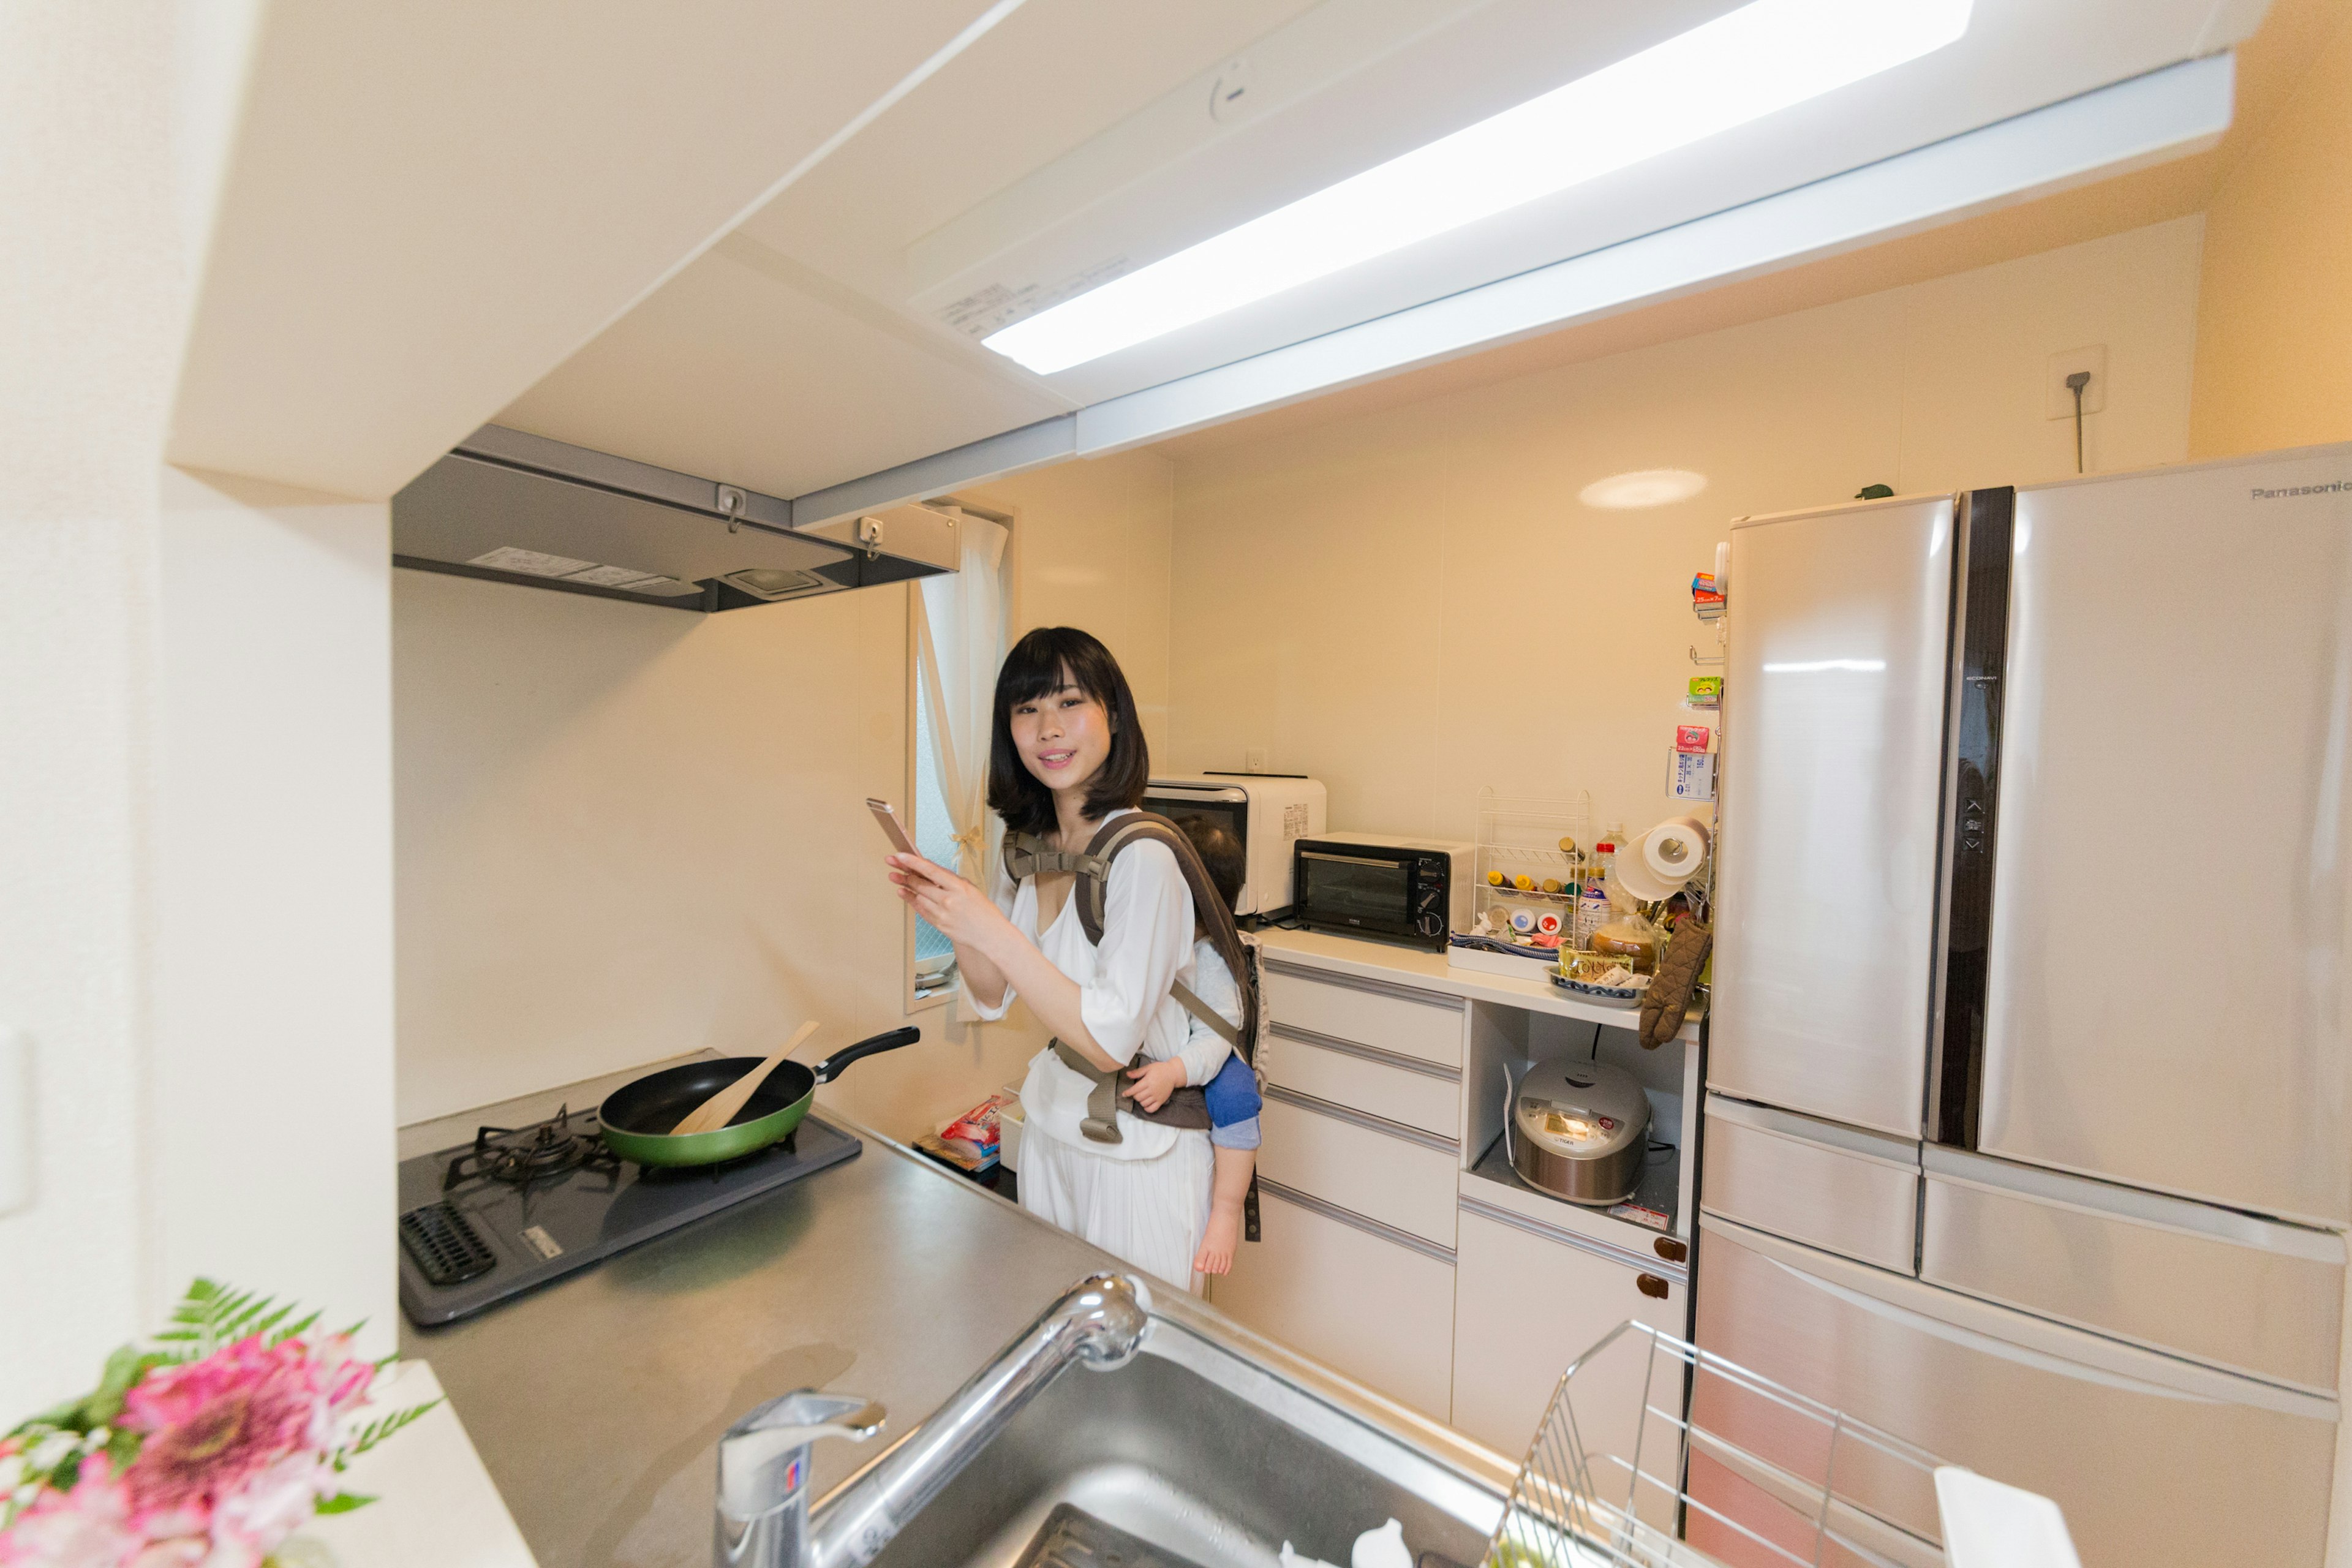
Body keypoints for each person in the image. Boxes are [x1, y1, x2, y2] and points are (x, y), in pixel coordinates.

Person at [885, 627, 1215, 1287]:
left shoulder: (1143, 855)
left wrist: (991, 927)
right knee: (1054, 1335)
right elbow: (992, 992)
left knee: (1138, 1367)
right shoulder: (1028, 845)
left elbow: (1109, 1041)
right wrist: (950, 917)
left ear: (1112, 716)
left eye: (1069, 703)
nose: (1048, 730)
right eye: (1026, 710)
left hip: (1139, 1156)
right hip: (1051, 1130)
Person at [1120, 817, 1260, 1276]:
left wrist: (1174, 1072)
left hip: (1213, 1050)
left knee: (1237, 1096)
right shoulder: (1153, 934)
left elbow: (1216, 1036)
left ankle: (1226, 1210)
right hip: (1175, 1042)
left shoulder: (1212, 958)